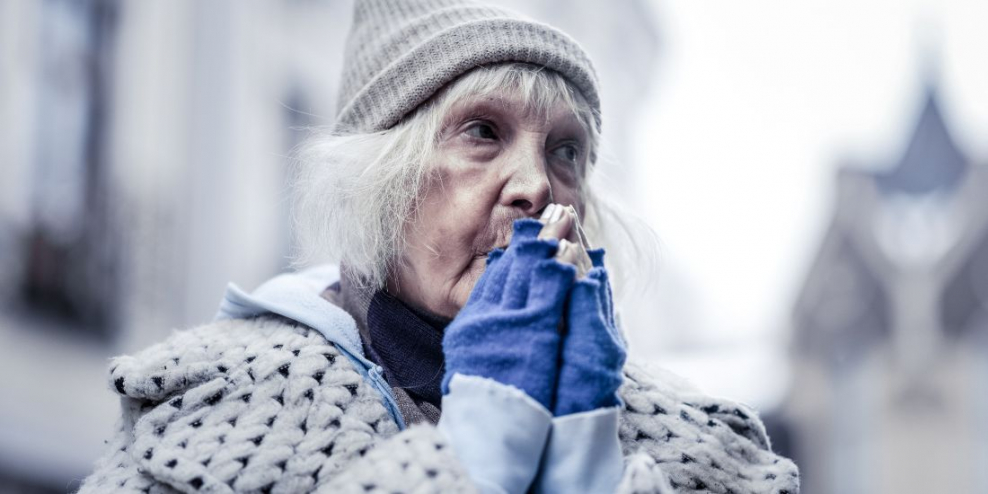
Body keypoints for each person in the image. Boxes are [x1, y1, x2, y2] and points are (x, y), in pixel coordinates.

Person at [79, 1, 799, 493]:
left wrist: (585, 441)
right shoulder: (208, 409)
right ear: (380, 181)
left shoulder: (699, 447)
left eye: (567, 150)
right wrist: (484, 438)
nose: (535, 185)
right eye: (483, 131)